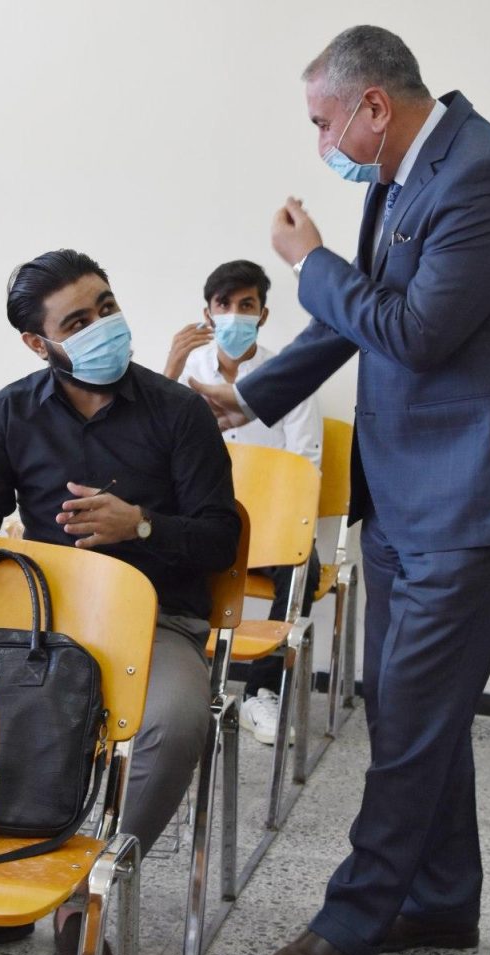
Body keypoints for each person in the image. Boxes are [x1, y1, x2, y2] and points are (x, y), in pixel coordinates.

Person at [188, 25, 490, 955]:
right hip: (405, 490)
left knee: (408, 715)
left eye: (323, 122)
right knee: (409, 704)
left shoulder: (485, 177)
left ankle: (350, 920)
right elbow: (356, 314)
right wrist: (249, 394)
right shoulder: (403, 177)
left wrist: (310, 258)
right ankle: (441, 901)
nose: (321, 143)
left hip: (472, 496)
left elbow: (414, 331)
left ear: (373, 105)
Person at [0, 248, 241, 955]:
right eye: (77, 321)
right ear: (39, 343)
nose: (103, 326)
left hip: (158, 623)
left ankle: (79, 897)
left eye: (106, 306)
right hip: (45, 632)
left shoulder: (179, 412)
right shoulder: (10, 413)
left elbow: (221, 538)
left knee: (177, 723)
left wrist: (142, 526)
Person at [165, 259, 322, 745]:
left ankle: (260, 692)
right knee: (153, 550)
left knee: (304, 568)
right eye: (224, 304)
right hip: (202, 516)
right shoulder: (186, 373)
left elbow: (306, 464)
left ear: (263, 314)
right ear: (208, 313)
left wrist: (277, 524)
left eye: (246, 304)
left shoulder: (285, 377)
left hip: (270, 525)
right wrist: (170, 369)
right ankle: (178, 681)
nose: (234, 314)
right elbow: (152, 449)